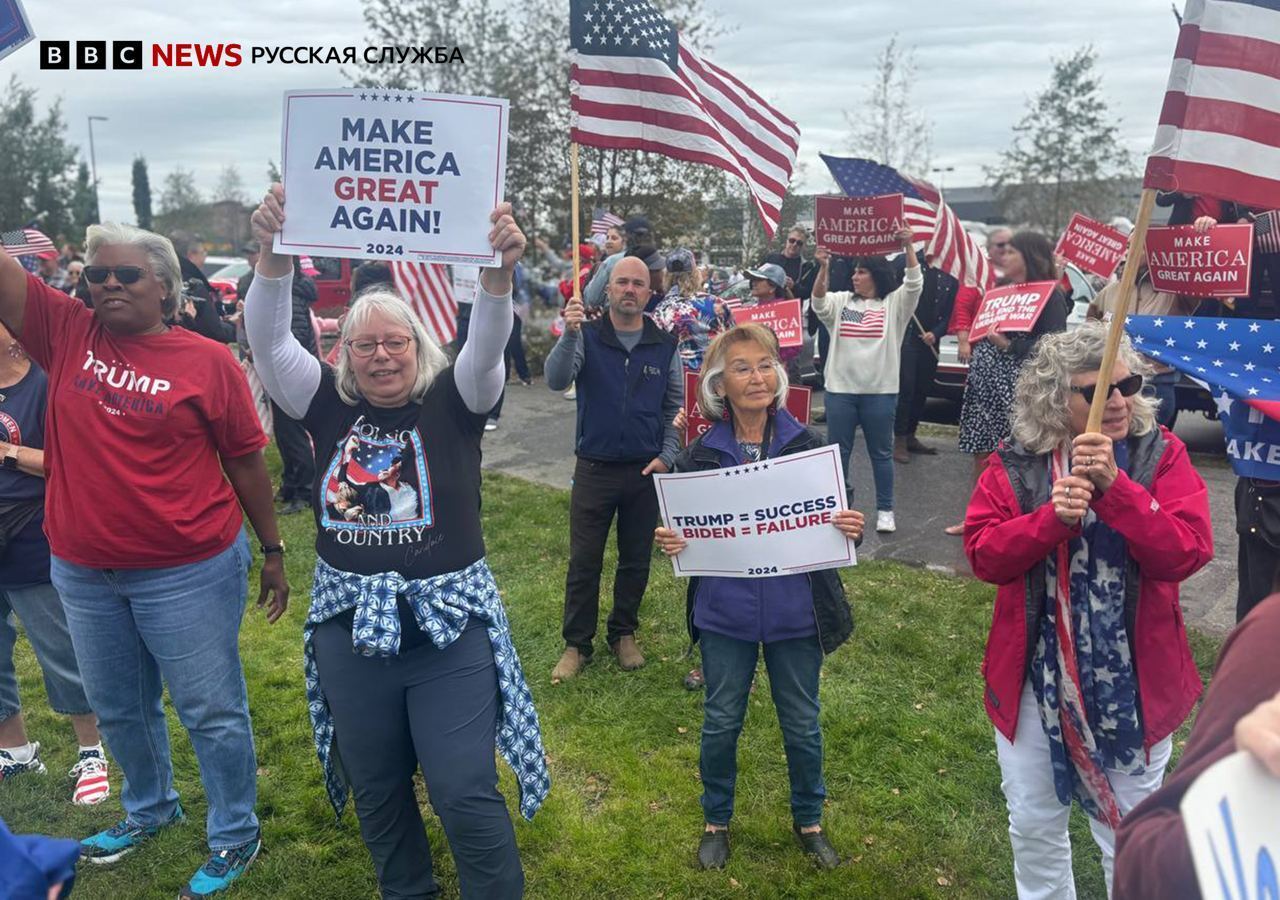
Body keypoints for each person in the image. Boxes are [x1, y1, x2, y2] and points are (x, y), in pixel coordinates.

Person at [245, 185, 548, 900]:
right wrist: (272, 254)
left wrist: (498, 274)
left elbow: (487, 348)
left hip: (448, 633)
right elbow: (269, 342)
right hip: (351, 633)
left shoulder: (457, 400)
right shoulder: (326, 401)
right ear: (345, 353)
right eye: (365, 345)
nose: (382, 356)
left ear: (418, 346)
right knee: (377, 787)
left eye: (395, 342)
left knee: (462, 787)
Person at [0, 221, 289, 900]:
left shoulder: (208, 361)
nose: (108, 284)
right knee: (118, 705)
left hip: (186, 569)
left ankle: (236, 831)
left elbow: (246, 462)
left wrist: (273, 549)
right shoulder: (67, 331)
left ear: (164, 287)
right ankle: (151, 809)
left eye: (126, 275)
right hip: (82, 570)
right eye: (97, 274)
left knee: (209, 709)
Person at [964, 323, 1213, 899]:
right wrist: (1049, 521)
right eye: (1098, 390)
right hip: (1034, 681)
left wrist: (1118, 491)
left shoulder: (1160, 454)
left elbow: (1187, 552)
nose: (1119, 400)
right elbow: (984, 554)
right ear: (1056, 400)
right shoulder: (1018, 463)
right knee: (1034, 822)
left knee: (1132, 833)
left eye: (1127, 384)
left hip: (1134, 683)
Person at [652, 324, 862, 871]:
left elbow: (841, 512)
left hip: (798, 614)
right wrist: (673, 539)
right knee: (722, 721)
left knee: (802, 723)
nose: (756, 377)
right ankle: (716, 820)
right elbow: (687, 530)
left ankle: (809, 820)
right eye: (741, 368)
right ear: (719, 384)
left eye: (765, 364)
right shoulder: (699, 456)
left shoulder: (810, 447)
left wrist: (851, 525)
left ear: (779, 375)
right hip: (726, 614)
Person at [545, 257, 682, 680]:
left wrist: (668, 455)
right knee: (584, 561)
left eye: (638, 284)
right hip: (594, 467)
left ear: (648, 293)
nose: (629, 290)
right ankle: (576, 644)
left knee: (635, 560)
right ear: (607, 290)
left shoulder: (664, 345)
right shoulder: (586, 335)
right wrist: (569, 334)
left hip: (644, 471)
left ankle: (623, 633)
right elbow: (556, 379)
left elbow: (674, 407)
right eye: (622, 282)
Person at [0, 322, 109, 806]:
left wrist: (6, 453)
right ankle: (15, 751)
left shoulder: (47, 382)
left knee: (61, 650)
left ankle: (92, 752)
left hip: (33, 533)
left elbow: (73, 461)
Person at [1113, 595, 1280, 900]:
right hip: (1049, 668)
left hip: (1135, 676)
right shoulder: (1270, 636)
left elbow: (1144, 874)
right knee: (1037, 816)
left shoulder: (1270, 636)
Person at [951, 232, 1071, 536]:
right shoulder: (1001, 289)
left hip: (1018, 390)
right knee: (982, 452)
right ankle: (977, 517)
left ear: (1029, 256)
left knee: (1015, 455)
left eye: (1012, 252)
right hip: (984, 386)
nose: (1005, 256)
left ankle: (1013, 518)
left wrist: (1008, 346)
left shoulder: (1051, 295)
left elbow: (1052, 347)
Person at [810, 228, 922, 534]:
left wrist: (909, 246)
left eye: (861, 272)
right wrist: (823, 267)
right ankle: (837, 507)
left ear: (876, 275)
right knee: (838, 454)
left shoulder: (894, 305)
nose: (855, 277)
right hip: (840, 392)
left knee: (881, 454)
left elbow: (914, 283)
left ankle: (885, 510)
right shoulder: (841, 301)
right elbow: (818, 302)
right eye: (855, 271)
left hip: (880, 393)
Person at [1087, 262, 1199, 428]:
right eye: (1128, 248)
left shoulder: (1174, 292)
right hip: (1118, 384)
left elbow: (1198, 286)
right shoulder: (1110, 291)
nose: (1131, 251)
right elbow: (1091, 330)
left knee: (1152, 440)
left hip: (1157, 383)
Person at [893, 257, 957, 463]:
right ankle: (899, 439)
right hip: (908, 336)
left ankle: (910, 435)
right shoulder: (905, 262)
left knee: (922, 388)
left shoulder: (949, 273)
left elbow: (951, 312)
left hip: (930, 341)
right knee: (906, 389)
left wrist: (936, 333)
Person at [651, 247, 733, 372]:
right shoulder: (716, 303)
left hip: (680, 377)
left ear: (666, 276)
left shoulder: (661, 311)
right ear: (695, 274)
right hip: (717, 374)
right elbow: (734, 340)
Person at [741, 262, 804, 379]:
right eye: (753, 279)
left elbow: (794, 347)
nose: (753, 283)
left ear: (773, 287)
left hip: (782, 374)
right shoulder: (749, 310)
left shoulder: (786, 310)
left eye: (759, 279)